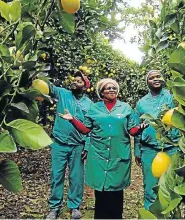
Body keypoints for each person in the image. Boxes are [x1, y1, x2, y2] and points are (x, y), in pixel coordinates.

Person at [59, 78, 149, 219]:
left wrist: (140, 128)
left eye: (114, 88)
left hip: (118, 155)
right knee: (101, 195)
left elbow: (131, 131)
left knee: (116, 194)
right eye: (108, 88)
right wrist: (72, 120)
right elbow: (85, 130)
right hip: (98, 156)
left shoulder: (125, 108)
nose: (112, 90)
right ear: (101, 92)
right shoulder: (94, 108)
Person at [46, 71, 93, 220]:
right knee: (56, 175)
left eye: (79, 81)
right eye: (75, 79)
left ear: (85, 87)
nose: (74, 82)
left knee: (76, 177)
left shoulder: (89, 104)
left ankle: (74, 206)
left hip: (78, 145)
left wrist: (87, 145)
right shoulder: (62, 93)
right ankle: (54, 207)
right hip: (59, 143)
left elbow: (91, 127)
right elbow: (47, 86)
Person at [134, 70, 180, 210]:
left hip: (171, 147)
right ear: (147, 82)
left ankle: (171, 214)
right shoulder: (141, 103)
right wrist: (137, 150)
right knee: (150, 186)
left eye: (158, 76)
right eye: (152, 78)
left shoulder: (173, 97)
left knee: (172, 185)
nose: (156, 79)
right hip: (149, 150)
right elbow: (137, 129)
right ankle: (151, 213)